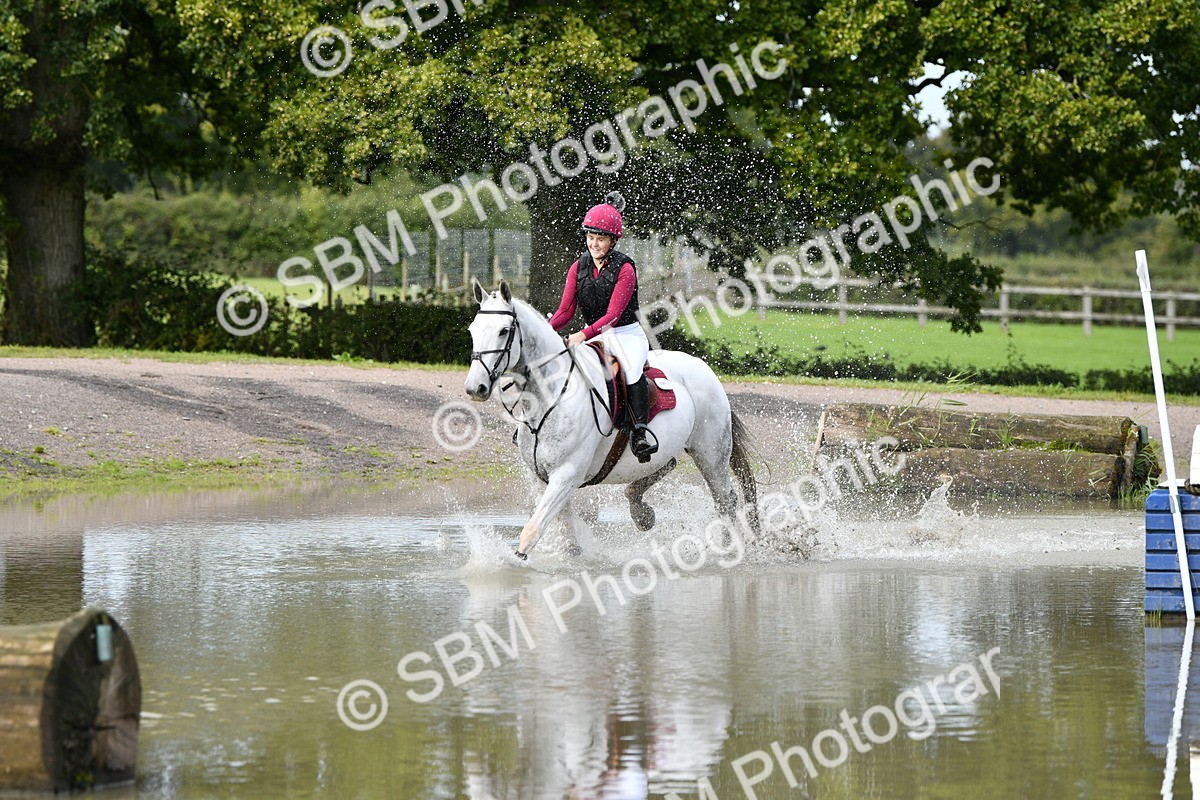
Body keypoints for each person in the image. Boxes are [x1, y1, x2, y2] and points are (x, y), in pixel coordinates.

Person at [547, 191, 658, 462]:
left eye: (600, 239)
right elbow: (565, 311)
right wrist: (544, 330)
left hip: (624, 335)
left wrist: (581, 335)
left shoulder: (625, 269)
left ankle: (639, 432)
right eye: (590, 238)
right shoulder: (578, 267)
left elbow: (611, 316)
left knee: (630, 371)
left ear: (612, 240)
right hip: (593, 335)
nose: (594, 244)